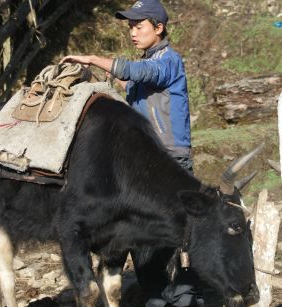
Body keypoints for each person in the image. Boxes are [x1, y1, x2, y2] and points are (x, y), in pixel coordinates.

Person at [61, 1, 201, 306]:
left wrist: (93, 58)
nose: (133, 32)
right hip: (146, 165)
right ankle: (157, 293)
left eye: (139, 26)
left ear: (159, 28)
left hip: (170, 162)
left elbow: (139, 71)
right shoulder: (148, 65)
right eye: (130, 27)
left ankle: (181, 293)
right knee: (144, 239)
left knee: (172, 238)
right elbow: (131, 79)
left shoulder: (169, 61)